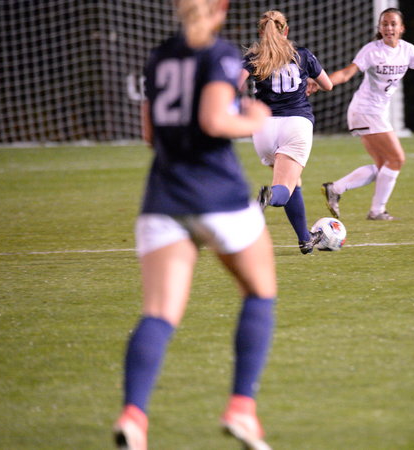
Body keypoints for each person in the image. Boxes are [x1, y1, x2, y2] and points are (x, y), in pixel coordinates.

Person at [112, 0, 275, 449]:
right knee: (260, 292)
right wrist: (252, 120)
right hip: (218, 195)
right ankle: (242, 408)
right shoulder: (219, 53)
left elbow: (150, 135)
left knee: (159, 314)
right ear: (220, 9)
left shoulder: (159, 55)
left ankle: (134, 416)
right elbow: (214, 119)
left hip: (163, 198)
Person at [310, 7, 414, 220]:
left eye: (393, 24)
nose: (389, 28)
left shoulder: (408, 50)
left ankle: (337, 189)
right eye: (384, 24)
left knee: (384, 167)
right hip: (365, 110)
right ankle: (376, 210)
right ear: (379, 28)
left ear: (402, 28)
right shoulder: (372, 50)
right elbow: (347, 73)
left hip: (375, 112)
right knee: (397, 159)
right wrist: (320, 82)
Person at [238, 10, 333, 254]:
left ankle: (305, 239)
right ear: (286, 30)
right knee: (282, 188)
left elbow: (232, 86)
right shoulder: (301, 54)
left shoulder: (254, 57)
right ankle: (268, 197)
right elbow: (328, 84)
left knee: (292, 182)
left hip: (263, 128)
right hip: (295, 124)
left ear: (261, 32)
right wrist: (311, 81)